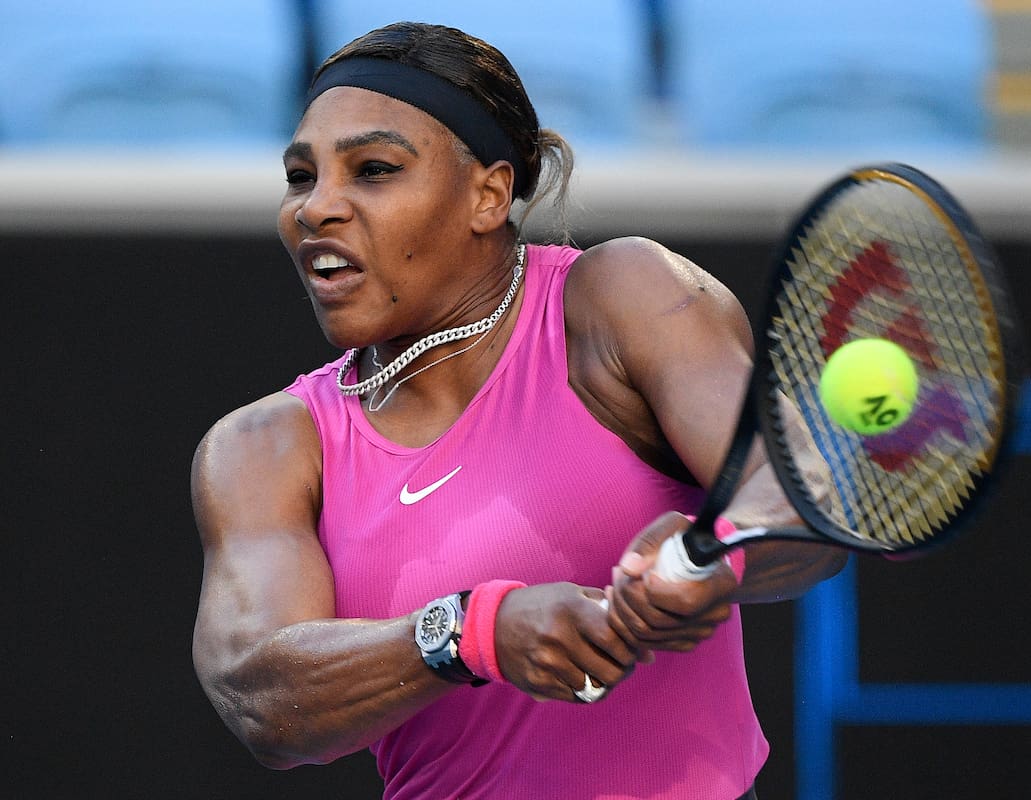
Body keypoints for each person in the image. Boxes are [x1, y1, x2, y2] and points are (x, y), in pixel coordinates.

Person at [191, 21, 847, 800]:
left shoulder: (621, 299)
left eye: (372, 169)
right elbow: (261, 698)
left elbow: (799, 495)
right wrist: (471, 632)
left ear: (488, 194)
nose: (316, 208)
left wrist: (714, 558)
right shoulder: (264, 447)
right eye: (301, 177)